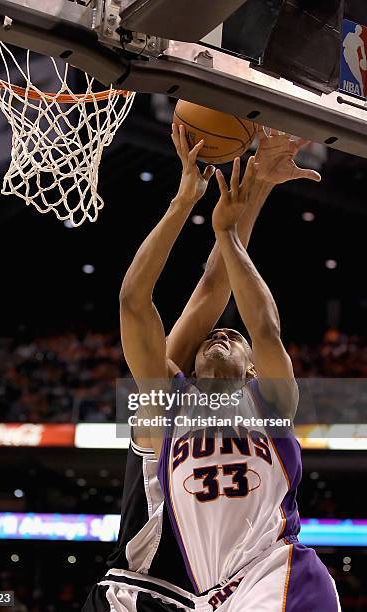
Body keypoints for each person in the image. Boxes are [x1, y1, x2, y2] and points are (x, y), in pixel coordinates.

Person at [83, 125, 327, 612]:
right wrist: (192, 199)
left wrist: (251, 187)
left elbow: (235, 299)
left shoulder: (266, 404)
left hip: (216, 593)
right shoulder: (164, 401)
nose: (220, 332)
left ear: (254, 368)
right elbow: (150, 299)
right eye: (214, 334)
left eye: (232, 336)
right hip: (146, 593)